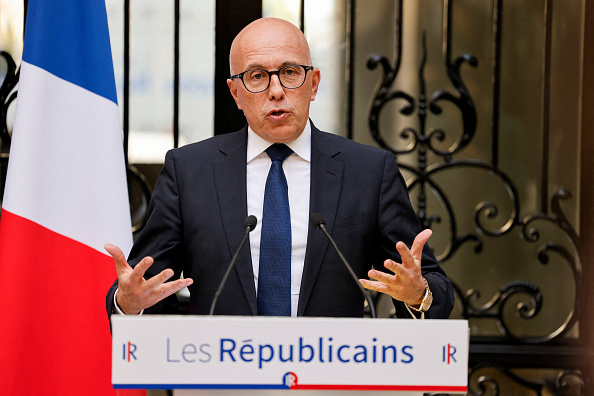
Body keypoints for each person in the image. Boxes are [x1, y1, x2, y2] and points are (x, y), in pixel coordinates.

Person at [105, 17, 454, 320]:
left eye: (289, 73)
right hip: (222, 378)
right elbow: (145, 286)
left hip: (331, 377)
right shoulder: (189, 171)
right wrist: (129, 302)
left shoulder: (369, 171)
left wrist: (417, 293)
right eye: (257, 76)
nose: (276, 91)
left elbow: (434, 287)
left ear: (313, 83)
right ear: (236, 93)